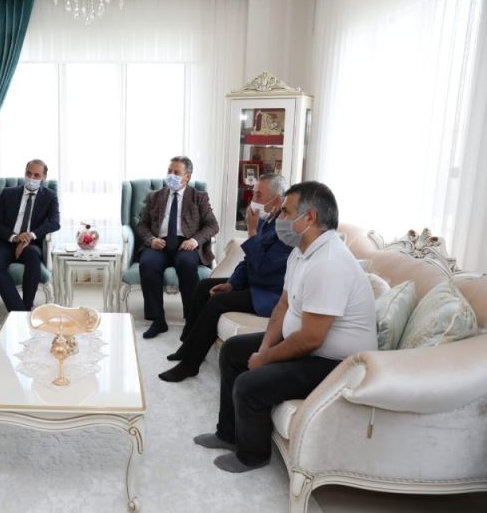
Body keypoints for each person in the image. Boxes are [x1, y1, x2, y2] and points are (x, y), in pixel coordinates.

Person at [193, 181, 377, 473]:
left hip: (335, 364)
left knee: (249, 384)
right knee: (233, 351)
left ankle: (253, 455)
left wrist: (265, 359)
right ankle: (228, 434)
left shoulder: (329, 263)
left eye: (286, 212)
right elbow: (282, 307)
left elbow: (311, 339)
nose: (279, 218)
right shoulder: (300, 252)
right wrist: (265, 347)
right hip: (311, 349)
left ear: (309, 218)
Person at [158, 174, 292, 382]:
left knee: (218, 301)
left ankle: (190, 365)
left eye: (258, 194)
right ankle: (188, 345)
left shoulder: (286, 230)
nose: (252, 199)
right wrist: (232, 283)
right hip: (254, 282)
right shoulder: (267, 220)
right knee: (204, 287)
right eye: (253, 193)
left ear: (277, 200)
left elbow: (263, 268)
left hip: (268, 293)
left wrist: (251, 232)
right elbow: (248, 261)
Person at [137, 156, 219, 339]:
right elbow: (142, 224)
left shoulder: (199, 197)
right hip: (159, 243)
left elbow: (212, 225)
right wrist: (151, 239)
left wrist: (195, 241)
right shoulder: (155, 196)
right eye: (169, 171)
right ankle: (157, 320)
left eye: (176, 172)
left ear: (187, 177)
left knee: (186, 264)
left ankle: (191, 320)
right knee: (148, 263)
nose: (171, 176)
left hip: (185, 244)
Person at [0, 159, 60, 311]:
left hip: (30, 244)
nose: (31, 178)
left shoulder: (50, 196)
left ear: (44, 177)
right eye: (29, 173)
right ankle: (21, 311)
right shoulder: (8, 193)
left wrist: (30, 236)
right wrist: (15, 237)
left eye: (36, 175)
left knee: (33, 257)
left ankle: (27, 305)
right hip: (5, 242)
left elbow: (55, 222)